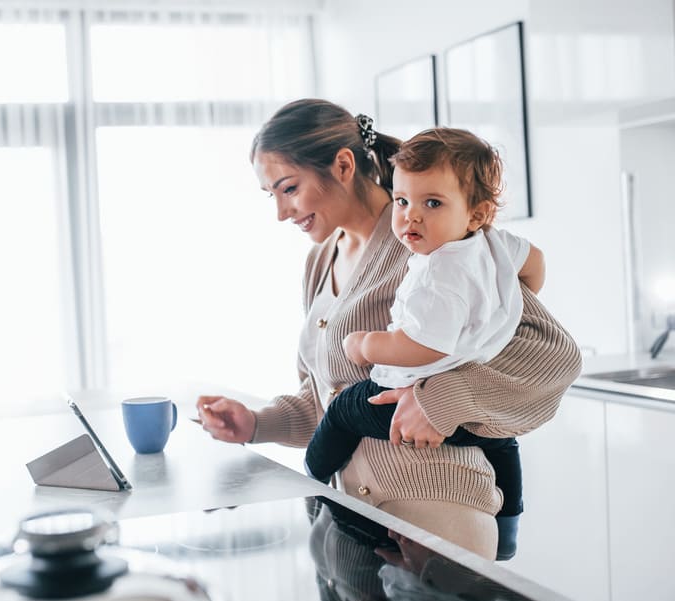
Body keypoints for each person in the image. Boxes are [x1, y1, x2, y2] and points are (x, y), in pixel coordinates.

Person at [195, 99, 581, 560]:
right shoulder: (322, 260)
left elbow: (554, 357)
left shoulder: (434, 242)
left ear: (342, 165)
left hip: (435, 507)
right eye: (271, 195)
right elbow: (333, 398)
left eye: (289, 188)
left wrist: (442, 398)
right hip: (348, 514)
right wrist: (258, 423)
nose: (281, 212)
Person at [303, 128, 545, 560]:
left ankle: (310, 484)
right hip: (470, 407)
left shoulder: (439, 274)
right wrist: (504, 309)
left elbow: (422, 347)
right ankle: (508, 529)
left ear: (477, 213)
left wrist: (367, 346)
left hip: (408, 395)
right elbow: (536, 263)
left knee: (344, 411)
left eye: (432, 203)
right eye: (402, 201)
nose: (411, 217)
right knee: (502, 443)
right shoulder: (492, 244)